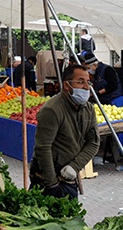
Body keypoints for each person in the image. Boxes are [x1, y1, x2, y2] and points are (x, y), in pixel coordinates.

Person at [29, 64, 100, 199]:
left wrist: (74, 166)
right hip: (46, 176)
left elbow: (94, 142)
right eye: (80, 82)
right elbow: (43, 147)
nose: (86, 87)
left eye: (88, 82)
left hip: (69, 175)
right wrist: (51, 184)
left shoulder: (88, 109)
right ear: (67, 85)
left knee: (70, 217)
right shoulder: (52, 110)